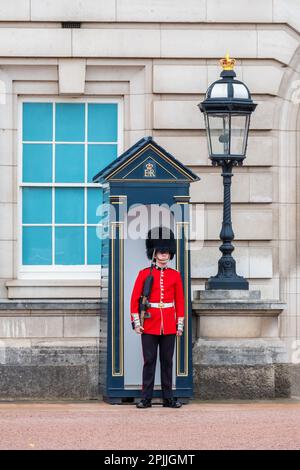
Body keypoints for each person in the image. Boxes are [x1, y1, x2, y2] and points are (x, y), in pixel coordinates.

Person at [130, 226, 185, 409]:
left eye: (167, 252)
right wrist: (137, 323)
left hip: (169, 324)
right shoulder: (144, 274)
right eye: (161, 252)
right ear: (154, 253)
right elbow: (134, 300)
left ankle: (168, 398)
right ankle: (146, 398)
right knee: (149, 362)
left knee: (167, 362)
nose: (164, 255)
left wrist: (180, 325)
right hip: (150, 324)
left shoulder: (175, 275)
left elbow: (180, 301)